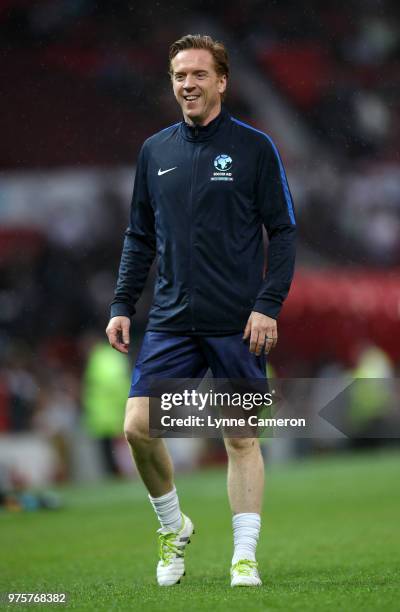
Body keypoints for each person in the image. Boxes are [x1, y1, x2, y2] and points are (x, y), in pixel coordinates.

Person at [106, 34, 296, 587]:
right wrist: (122, 302)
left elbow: (282, 231)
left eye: (197, 75)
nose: (186, 84)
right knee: (138, 426)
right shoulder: (154, 151)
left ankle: (244, 557)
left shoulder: (255, 148)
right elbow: (139, 235)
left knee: (239, 437)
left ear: (221, 81)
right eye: (178, 76)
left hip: (238, 320)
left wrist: (268, 304)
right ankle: (173, 527)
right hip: (170, 319)